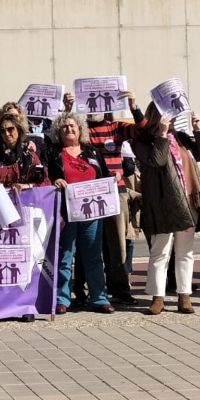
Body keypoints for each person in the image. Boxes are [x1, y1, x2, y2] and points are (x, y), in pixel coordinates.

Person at [132, 104, 200, 314]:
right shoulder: (142, 140)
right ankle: (157, 297)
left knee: (185, 251)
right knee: (160, 251)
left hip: (188, 200)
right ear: (156, 116)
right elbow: (157, 160)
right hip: (163, 203)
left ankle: (184, 295)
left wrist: (199, 130)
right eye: (168, 115)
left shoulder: (181, 137)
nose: (173, 119)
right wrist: (161, 135)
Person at [46, 113, 114, 314]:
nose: (69, 129)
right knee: (64, 256)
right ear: (58, 132)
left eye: (72, 126)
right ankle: (62, 299)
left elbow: (104, 175)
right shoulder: (53, 153)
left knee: (94, 256)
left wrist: (114, 177)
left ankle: (99, 298)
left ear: (80, 129)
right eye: (64, 127)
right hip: (65, 213)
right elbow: (45, 177)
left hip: (92, 213)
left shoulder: (92, 151)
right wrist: (55, 181)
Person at [85, 92, 143, 305]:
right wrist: (66, 109)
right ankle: (87, 290)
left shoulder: (115, 127)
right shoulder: (79, 129)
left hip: (115, 191)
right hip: (87, 193)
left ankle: (119, 289)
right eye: (89, 105)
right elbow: (57, 137)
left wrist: (134, 107)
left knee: (118, 244)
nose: (93, 110)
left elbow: (141, 129)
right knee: (89, 244)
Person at [0, 115, 46, 189]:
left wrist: (26, 186)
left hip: (23, 195)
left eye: (10, 129)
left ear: (18, 130)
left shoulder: (29, 155)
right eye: (2, 131)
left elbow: (44, 183)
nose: (6, 134)